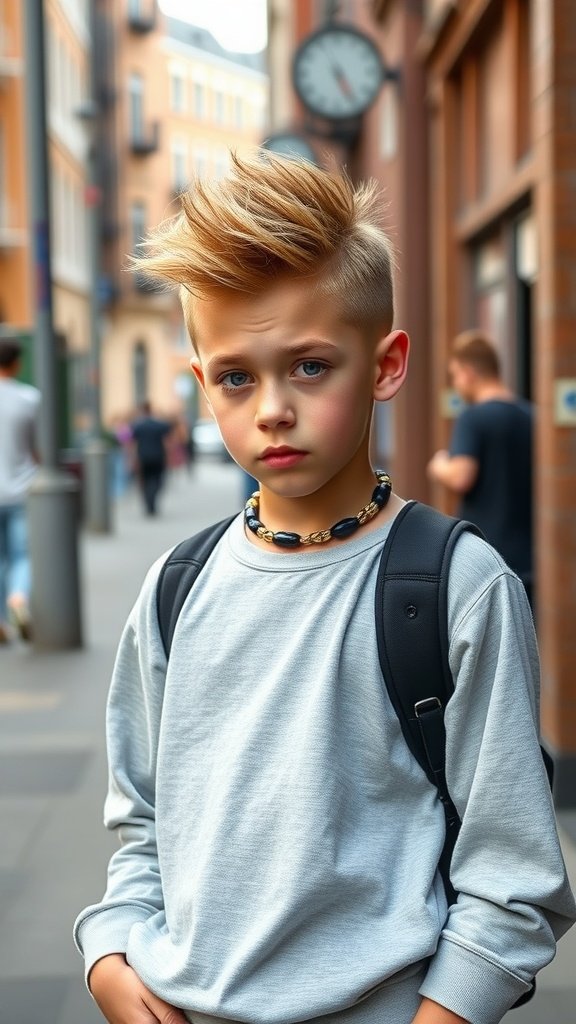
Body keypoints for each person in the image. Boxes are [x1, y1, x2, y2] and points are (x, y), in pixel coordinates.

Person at [74, 153, 575, 1024]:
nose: (271, 407)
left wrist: (447, 1010)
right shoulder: (175, 587)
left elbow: (514, 869)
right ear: (202, 386)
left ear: (385, 366)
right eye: (237, 376)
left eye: (309, 366)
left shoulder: (459, 585)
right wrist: (110, 951)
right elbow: (142, 822)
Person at [427, 330, 534, 606]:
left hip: (485, 556)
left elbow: (462, 476)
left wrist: (439, 466)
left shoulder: (473, 418)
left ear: (469, 372)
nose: (456, 385)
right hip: (529, 557)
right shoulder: (531, 416)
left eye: (455, 375)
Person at [0, 338, 40, 643]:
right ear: (16, 364)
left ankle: (2, 621)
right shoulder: (29, 398)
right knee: (21, 554)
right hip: (22, 488)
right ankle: (17, 598)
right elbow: (36, 448)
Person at [130, 401, 173, 515]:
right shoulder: (159, 425)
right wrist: (168, 456)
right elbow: (167, 442)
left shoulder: (137, 425)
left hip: (143, 457)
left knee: (145, 482)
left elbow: (134, 444)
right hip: (158, 456)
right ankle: (152, 502)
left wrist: (133, 459)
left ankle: (149, 505)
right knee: (157, 481)